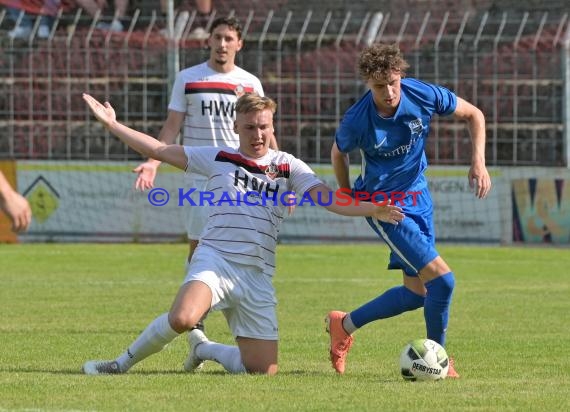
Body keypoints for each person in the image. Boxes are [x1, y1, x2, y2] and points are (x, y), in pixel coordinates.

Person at [80, 92, 405, 375]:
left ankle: (203, 350)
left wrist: (371, 208)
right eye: (250, 127)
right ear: (236, 127)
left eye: (263, 126)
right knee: (182, 317)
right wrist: (112, 125)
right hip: (215, 260)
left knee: (263, 370)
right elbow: (160, 149)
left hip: (257, 275)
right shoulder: (219, 157)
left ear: (272, 127)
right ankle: (119, 364)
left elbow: (329, 199)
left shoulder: (289, 166)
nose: (257, 134)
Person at [325, 43, 492, 377]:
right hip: (387, 209)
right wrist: (349, 196)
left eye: (393, 82)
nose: (388, 92)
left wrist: (479, 162)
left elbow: (475, 115)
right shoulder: (358, 119)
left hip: (420, 199)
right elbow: (337, 152)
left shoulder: (422, 94)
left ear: (401, 75)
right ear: (367, 84)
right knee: (443, 282)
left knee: (417, 294)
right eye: (378, 86)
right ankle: (440, 361)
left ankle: (343, 324)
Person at [133, 16, 274, 275]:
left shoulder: (251, 83)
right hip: (200, 174)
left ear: (239, 44)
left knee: (244, 242)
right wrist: (153, 162)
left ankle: (234, 296)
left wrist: (280, 171)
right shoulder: (188, 79)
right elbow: (172, 125)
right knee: (199, 242)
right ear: (208, 40)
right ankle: (194, 310)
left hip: (239, 175)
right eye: (217, 37)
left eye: (228, 38)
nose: (222, 43)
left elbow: (264, 129)